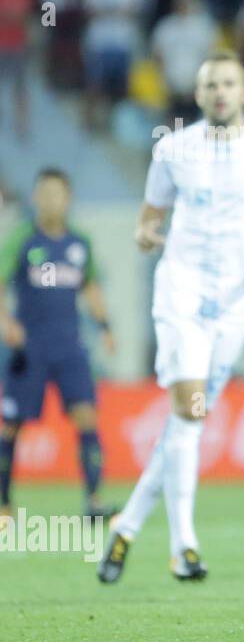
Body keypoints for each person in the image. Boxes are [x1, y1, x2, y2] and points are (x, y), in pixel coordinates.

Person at [97, 52, 244, 583]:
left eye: (228, 83)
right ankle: (183, 547)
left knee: (185, 421)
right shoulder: (173, 149)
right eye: (210, 84)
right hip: (182, 295)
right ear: (197, 95)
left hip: (238, 303)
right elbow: (149, 219)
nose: (219, 91)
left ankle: (126, 525)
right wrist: (145, 234)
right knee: (191, 413)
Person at [1, 169, 115, 523]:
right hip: (30, 347)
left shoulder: (79, 244)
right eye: (44, 193)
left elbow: (91, 287)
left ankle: (94, 502)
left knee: (87, 416)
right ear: (35, 197)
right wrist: (6, 323)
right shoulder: (23, 240)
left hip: (69, 346)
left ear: (68, 198)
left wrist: (105, 326)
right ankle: (3, 504)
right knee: (11, 425)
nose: (50, 200)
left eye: (57, 193)